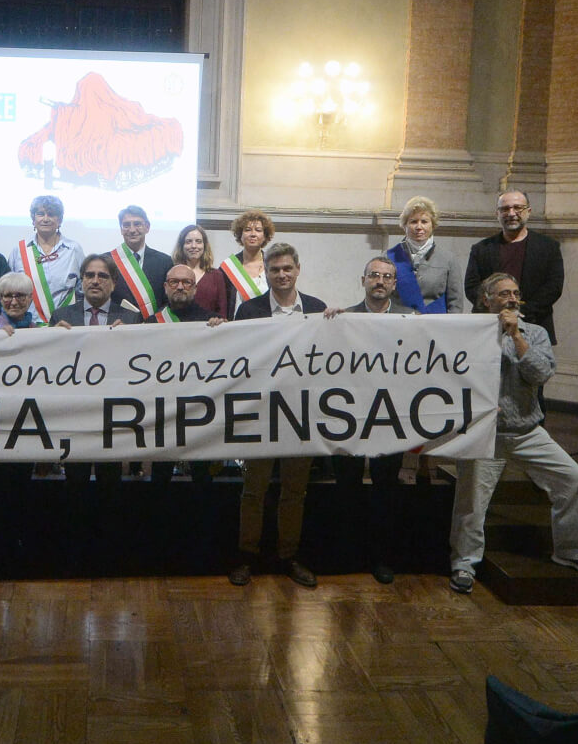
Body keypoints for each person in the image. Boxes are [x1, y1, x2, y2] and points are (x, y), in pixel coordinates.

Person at [448, 273, 578, 594]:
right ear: (486, 300)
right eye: (503, 293)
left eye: (515, 293)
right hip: (485, 433)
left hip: (527, 431)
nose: (511, 298)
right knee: (472, 502)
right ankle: (464, 563)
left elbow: (540, 374)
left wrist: (516, 336)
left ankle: (572, 551)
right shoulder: (469, 332)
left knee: (573, 480)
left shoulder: (535, 333)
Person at [231, 242, 327, 589]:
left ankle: (289, 556)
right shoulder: (249, 310)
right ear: (266, 273)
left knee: (294, 492)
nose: (282, 275)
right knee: (253, 491)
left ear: (298, 270)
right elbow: (236, 355)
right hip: (260, 413)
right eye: (275, 270)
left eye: (287, 268)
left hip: (301, 413)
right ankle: (246, 556)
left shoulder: (317, 309)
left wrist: (340, 322)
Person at [322, 256, 413, 583]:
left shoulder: (410, 319)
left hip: (390, 417)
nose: (380, 281)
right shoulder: (344, 318)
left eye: (386, 277)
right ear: (363, 280)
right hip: (350, 416)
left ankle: (381, 558)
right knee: (346, 486)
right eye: (374, 275)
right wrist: (329, 323)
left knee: (385, 489)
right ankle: (347, 553)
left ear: (394, 284)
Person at [51, 253, 139, 570]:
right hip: (74, 415)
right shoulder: (61, 316)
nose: (95, 280)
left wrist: (130, 341)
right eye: (89, 275)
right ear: (82, 281)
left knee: (110, 485)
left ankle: (108, 555)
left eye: (103, 276)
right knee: (74, 484)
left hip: (113, 416)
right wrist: (52, 339)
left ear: (113, 283)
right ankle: (75, 554)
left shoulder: (131, 319)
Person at [148, 263, 222, 495]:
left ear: (195, 288)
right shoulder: (149, 324)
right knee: (160, 477)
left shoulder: (212, 321)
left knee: (202, 478)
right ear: (165, 287)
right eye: (174, 282)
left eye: (186, 282)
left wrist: (223, 332)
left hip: (200, 408)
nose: (180, 287)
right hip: (163, 409)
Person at [463, 189, 564, 344]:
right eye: (505, 209)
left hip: (534, 325)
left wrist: (521, 312)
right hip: (490, 327)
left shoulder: (548, 247)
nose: (511, 213)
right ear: (497, 214)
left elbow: (553, 287)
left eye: (518, 208)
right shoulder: (481, 249)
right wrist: (496, 310)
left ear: (528, 211)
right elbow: (472, 287)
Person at [7, 194, 83, 324]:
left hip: (66, 326)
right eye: (40, 214)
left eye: (51, 214)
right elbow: (8, 291)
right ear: (33, 219)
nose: (46, 219)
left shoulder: (73, 249)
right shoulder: (19, 250)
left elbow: (83, 290)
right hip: (28, 327)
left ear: (60, 220)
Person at [388, 195, 466, 314]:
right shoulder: (389, 257)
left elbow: (455, 303)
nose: (419, 227)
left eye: (424, 222)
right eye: (413, 221)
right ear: (405, 225)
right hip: (400, 322)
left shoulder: (448, 259)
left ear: (432, 225)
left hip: (436, 322)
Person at [197, 209, 273, 318]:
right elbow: (221, 304)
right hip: (238, 325)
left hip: (267, 325)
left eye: (258, 230)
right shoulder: (228, 268)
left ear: (265, 236)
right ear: (240, 235)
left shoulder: (272, 265)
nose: (253, 234)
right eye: (247, 230)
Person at [105, 205, 172, 319]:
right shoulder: (106, 261)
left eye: (137, 224)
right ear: (121, 229)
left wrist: (154, 321)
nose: (132, 230)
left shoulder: (165, 261)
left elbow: (169, 299)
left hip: (154, 326)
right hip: (119, 325)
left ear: (147, 227)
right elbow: (102, 299)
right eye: (126, 225)